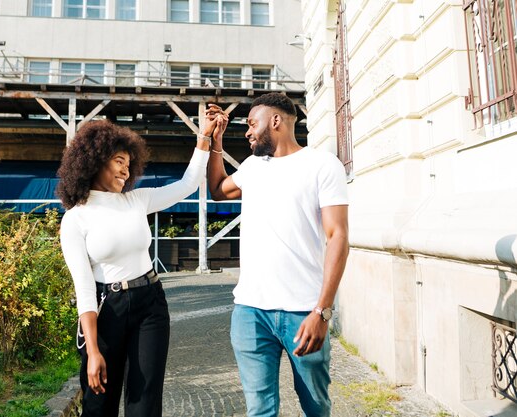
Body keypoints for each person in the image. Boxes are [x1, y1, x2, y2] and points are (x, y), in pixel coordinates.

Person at [57, 116, 223, 417]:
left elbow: (187, 185)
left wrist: (204, 139)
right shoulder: (75, 219)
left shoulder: (137, 200)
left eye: (129, 163)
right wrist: (93, 351)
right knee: (98, 404)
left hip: (150, 305)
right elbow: (84, 289)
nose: (126, 169)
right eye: (119, 161)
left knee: (144, 404)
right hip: (109, 310)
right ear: (94, 162)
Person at [206, 92, 349, 417]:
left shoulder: (322, 165)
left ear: (276, 121)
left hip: (304, 312)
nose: (247, 132)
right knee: (260, 411)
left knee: (316, 407)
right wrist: (217, 141)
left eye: (252, 123)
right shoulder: (254, 167)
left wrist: (322, 312)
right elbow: (217, 190)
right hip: (250, 313)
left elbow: (338, 236)